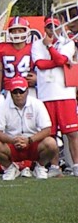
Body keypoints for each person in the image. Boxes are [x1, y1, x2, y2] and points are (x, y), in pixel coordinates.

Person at [0, 16, 36, 178]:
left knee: (29, 128)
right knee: (1, 129)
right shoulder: (1, 50)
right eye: (14, 31)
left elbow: (41, 71)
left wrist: (36, 79)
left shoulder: (33, 49)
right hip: (8, 92)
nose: (17, 33)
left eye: (20, 30)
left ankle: (27, 165)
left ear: (27, 31)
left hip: (28, 91)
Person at [31, 16, 78, 176]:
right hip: (46, 95)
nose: (52, 30)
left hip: (65, 93)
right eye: (49, 26)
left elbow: (61, 59)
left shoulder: (67, 43)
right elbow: (40, 64)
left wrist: (50, 47)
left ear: (61, 27)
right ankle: (54, 167)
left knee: (71, 132)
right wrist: (59, 61)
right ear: (44, 28)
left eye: (55, 26)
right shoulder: (37, 44)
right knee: (50, 134)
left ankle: (76, 165)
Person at [0, 76, 57, 180]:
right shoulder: (3, 106)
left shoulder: (37, 104)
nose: (18, 95)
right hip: (12, 144)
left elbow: (47, 129)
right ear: (10, 93)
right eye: (15, 92)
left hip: (33, 143)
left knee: (51, 143)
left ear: (27, 91)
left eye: (21, 92)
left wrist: (29, 140)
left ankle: (40, 166)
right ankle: (10, 168)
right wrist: (13, 140)